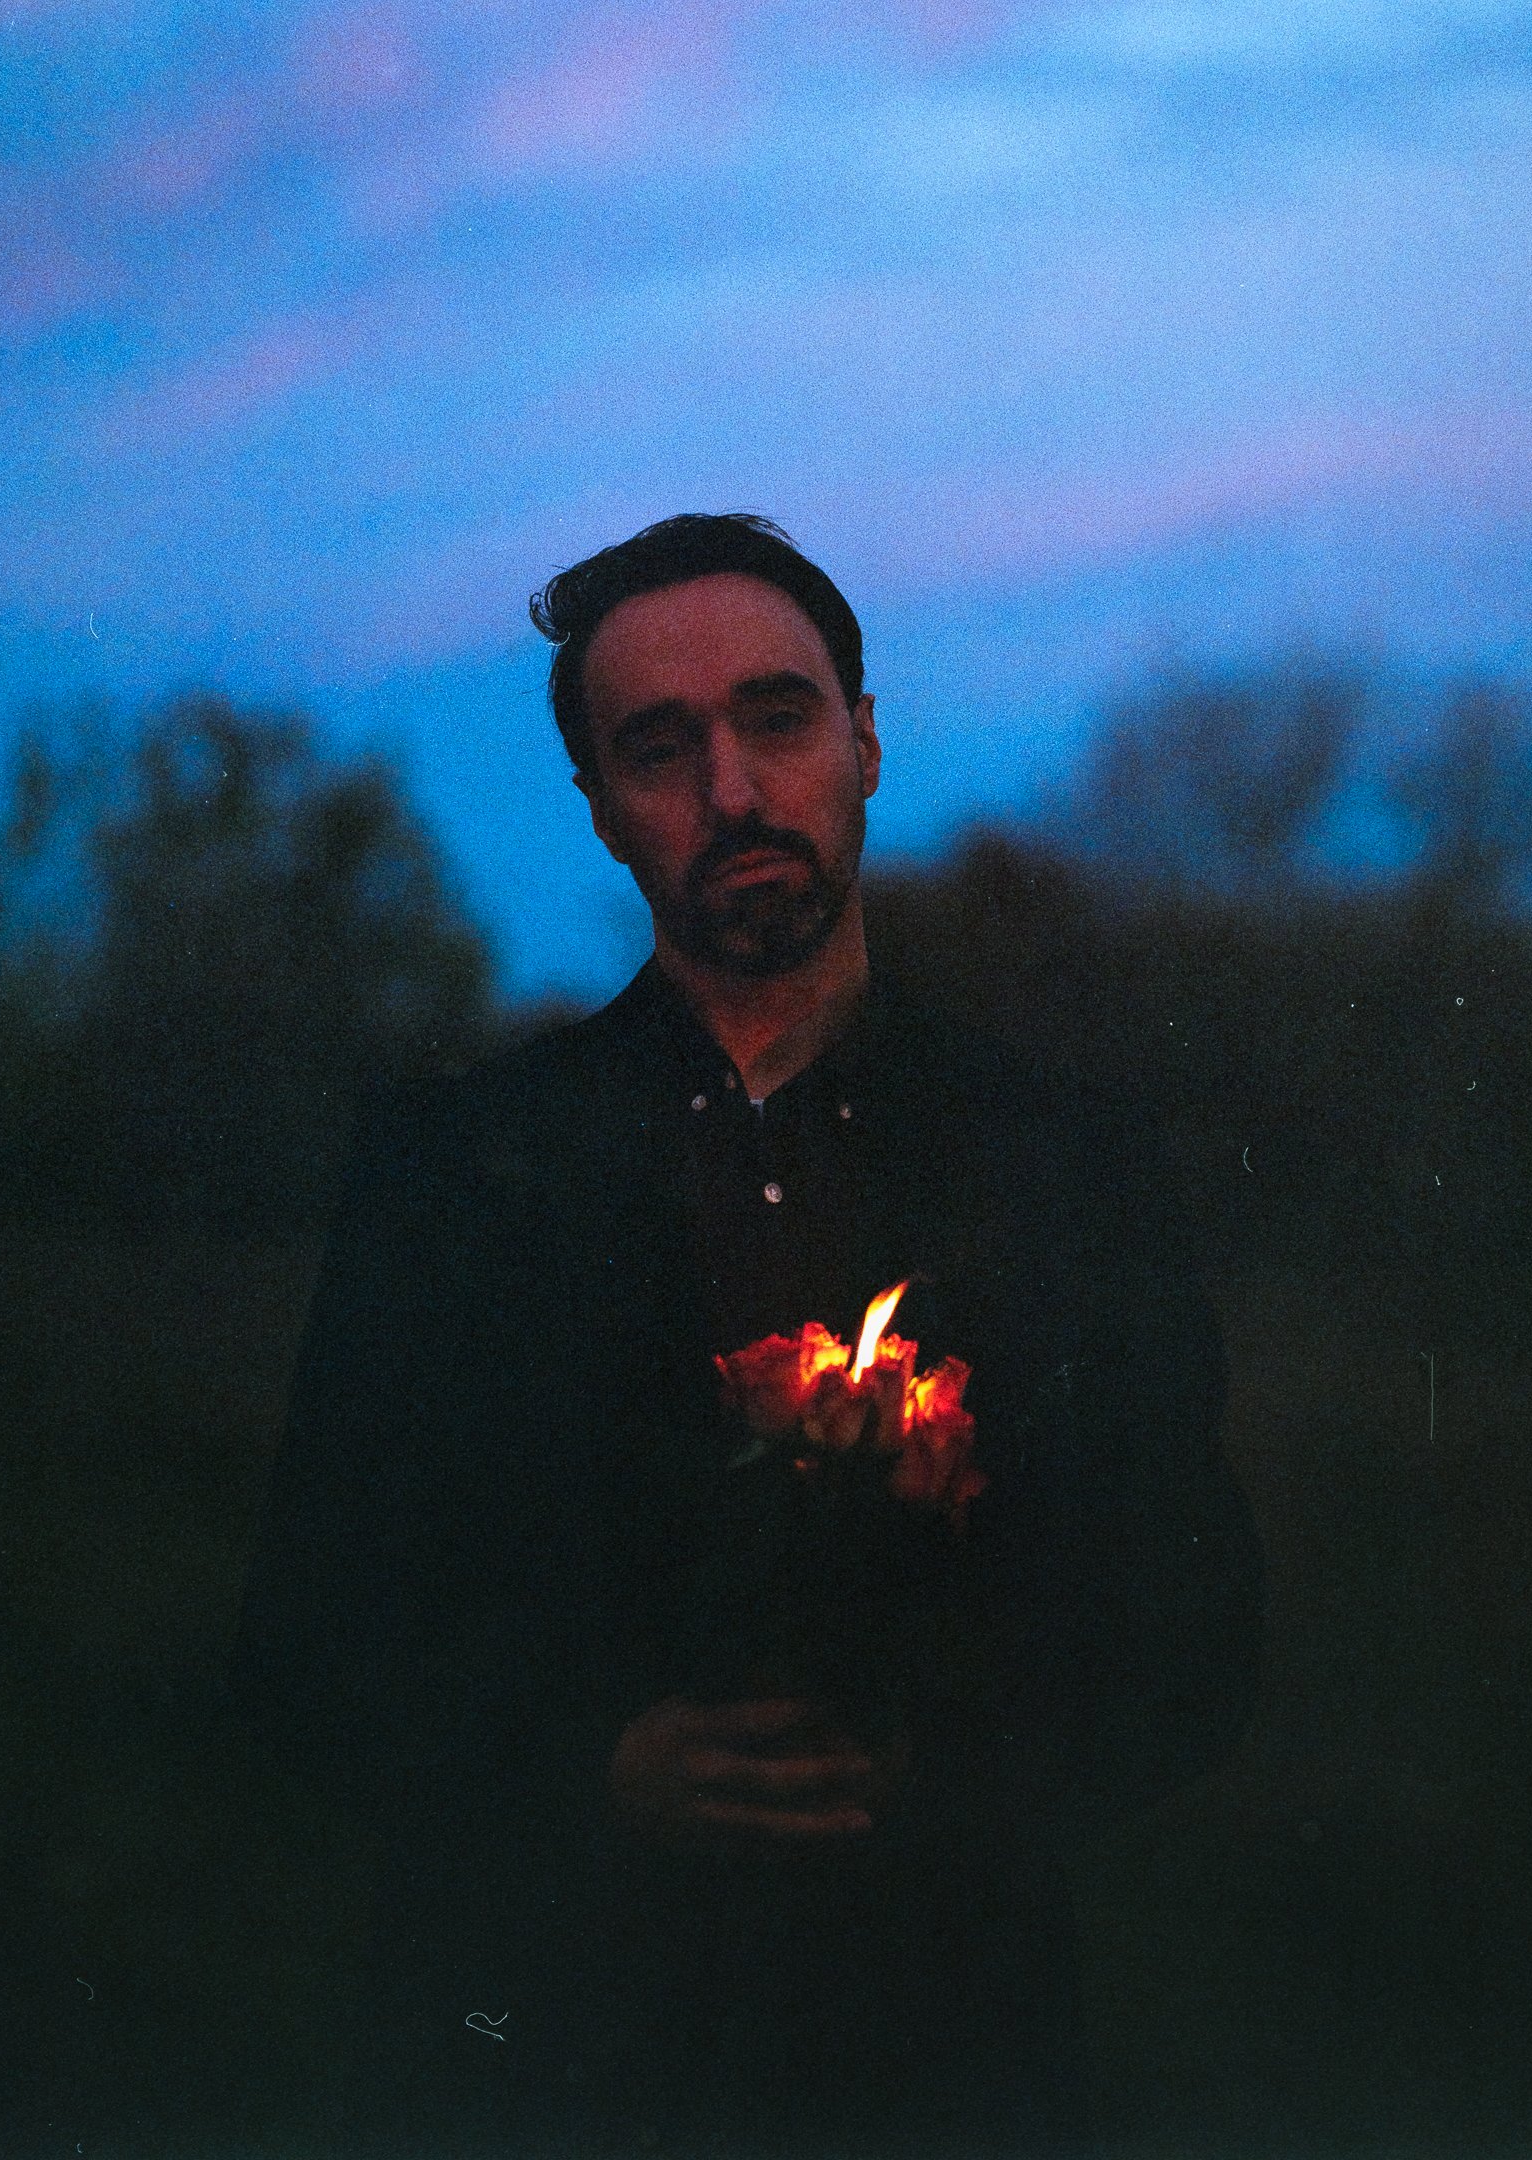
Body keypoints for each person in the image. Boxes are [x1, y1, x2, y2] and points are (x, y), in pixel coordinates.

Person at [228, 513, 1267, 2158]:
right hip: (550, 2058)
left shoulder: (1066, 1161)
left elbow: (1198, 1628)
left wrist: (935, 1766)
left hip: (949, 2058)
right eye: (661, 745)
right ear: (598, 806)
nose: (731, 791)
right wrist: (590, 1769)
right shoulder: (451, 1172)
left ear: (862, 739)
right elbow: (309, 1643)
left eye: (776, 719)